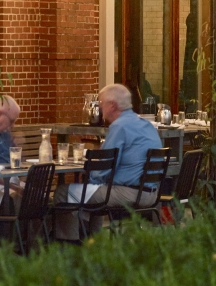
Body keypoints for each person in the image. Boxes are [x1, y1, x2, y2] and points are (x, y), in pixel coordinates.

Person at [54, 84, 162, 240]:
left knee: (63, 192)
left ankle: (69, 244)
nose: (99, 107)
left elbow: (105, 165)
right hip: (152, 193)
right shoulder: (146, 125)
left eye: (101, 103)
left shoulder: (119, 126)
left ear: (112, 106)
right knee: (95, 188)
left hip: (130, 193)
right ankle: (93, 239)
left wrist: (90, 179)